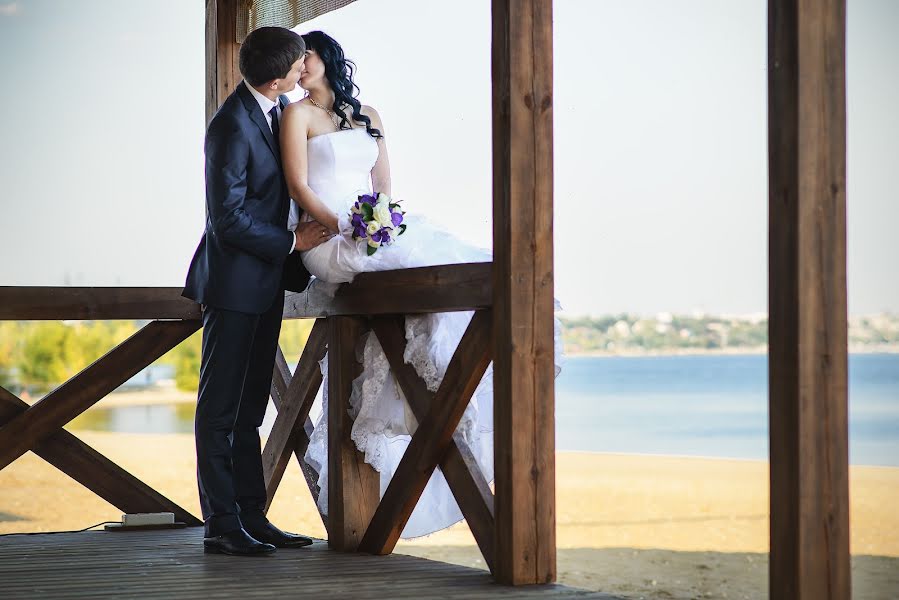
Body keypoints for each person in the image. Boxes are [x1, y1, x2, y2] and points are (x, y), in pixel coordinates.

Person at [280, 30, 563, 537]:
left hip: (370, 223)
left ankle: (452, 384)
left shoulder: (369, 115)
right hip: (326, 233)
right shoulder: (295, 115)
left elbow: (383, 187)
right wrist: (342, 225)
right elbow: (299, 184)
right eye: (295, 60)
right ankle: (436, 388)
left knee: (441, 260)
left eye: (307, 55)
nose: (300, 65)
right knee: (404, 274)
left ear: (327, 57)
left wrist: (377, 219)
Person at [182, 26, 334, 556]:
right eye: (297, 66)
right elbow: (227, 220)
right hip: (233, 285)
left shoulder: (274, 112)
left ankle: (252, 516)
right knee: (220, 410)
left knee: (249, 411)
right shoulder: (229, 126)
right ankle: (221, 526)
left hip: (267, 283)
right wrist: (293, 240)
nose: (303, 71)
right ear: (276, 78)